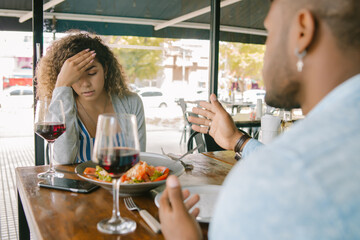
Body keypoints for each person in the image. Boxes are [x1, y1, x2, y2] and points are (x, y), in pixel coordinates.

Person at [159, 0, 360, 239]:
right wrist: (237, 140)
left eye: (269, 32)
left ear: (302, 31)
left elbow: (289, 169)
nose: (264, 52)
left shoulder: (274, 181)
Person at [36, 32, 146, 164]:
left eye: (92, 73)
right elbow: (63, 160)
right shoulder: (58, 105)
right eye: (75, 77)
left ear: (105, 69)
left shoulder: (131, 103)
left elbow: (137, 160)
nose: (85, 84)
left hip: (120, 182)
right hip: (75, 184)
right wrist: (61, 85)